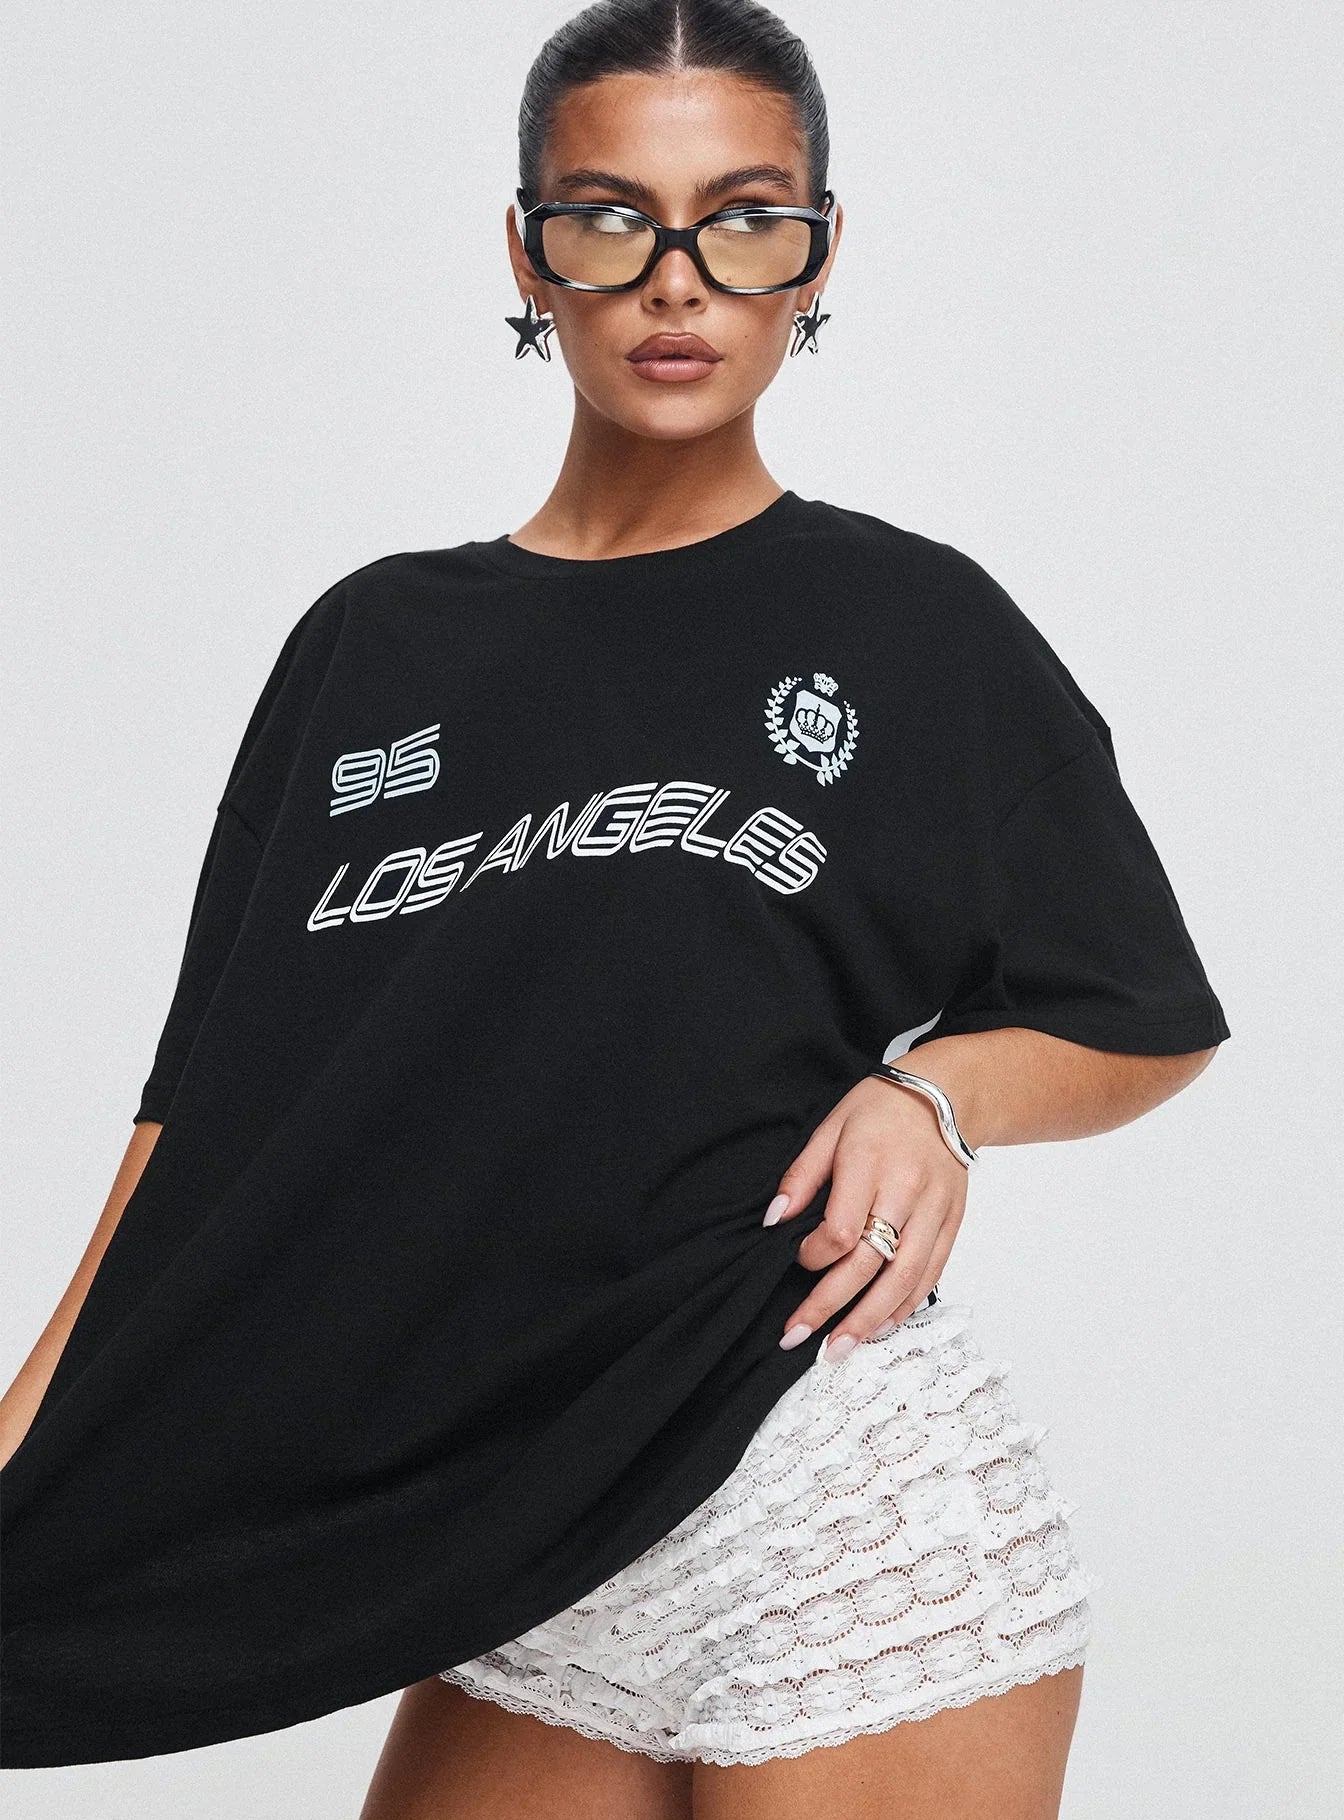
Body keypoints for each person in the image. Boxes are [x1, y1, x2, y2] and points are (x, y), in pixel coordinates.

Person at [0, 2, 1230, 1814]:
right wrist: (25, 1466)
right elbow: (196, 1124)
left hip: (822, 1500)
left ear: (819, 254)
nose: (677, 281)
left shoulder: (916, 629)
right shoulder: (372, 644)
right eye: (608, 218)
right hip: (507, 1531)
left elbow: (1144, 1013)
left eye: (745, 221)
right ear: (527, 252)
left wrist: (938, 1092)